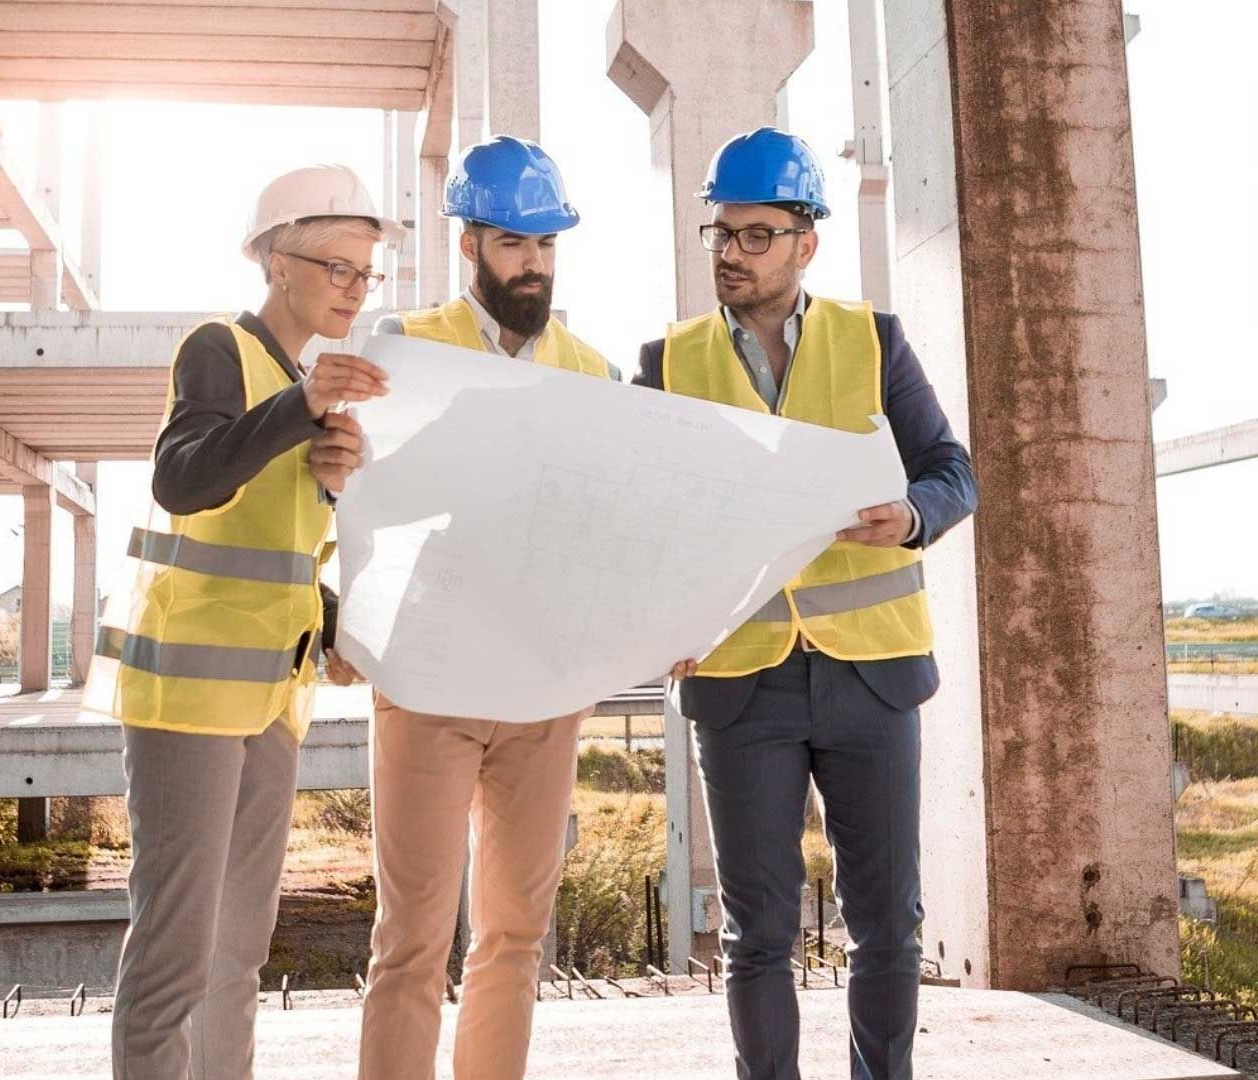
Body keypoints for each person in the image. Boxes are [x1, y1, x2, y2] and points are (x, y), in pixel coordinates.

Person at [637, 127, 979, 1080]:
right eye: (721, 236)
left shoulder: (873, 340)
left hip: (871, 674)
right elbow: (633, 517)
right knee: (757, 933)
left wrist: (912, 514)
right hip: (742, 683)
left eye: (755, 236)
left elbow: (952, 472)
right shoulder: (667, 361)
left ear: (804, 244)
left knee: (886, 925)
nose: (731, 255)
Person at [89, 163, 401, 1080]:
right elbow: (183, 479)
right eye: (337, 267)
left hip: (270, 697)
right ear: (275, 260)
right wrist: (299, 412)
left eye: (364, 273)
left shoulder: (301, 386)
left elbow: (278, 557)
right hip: (188, 696)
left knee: (239, 951)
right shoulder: (220, 348)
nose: (353, 288)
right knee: (176, 950)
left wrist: (330, 485)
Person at [312, 136, 614, 1080]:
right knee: (410, 937)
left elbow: (610, 526)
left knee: (517, 936)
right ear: (470, 244)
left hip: (539, 689)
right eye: (515, 243)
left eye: (547, 244)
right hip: (429, 676)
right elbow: (345, 493)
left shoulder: (594, 375)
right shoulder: (405, 349)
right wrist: (341, 611)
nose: (534, 262)